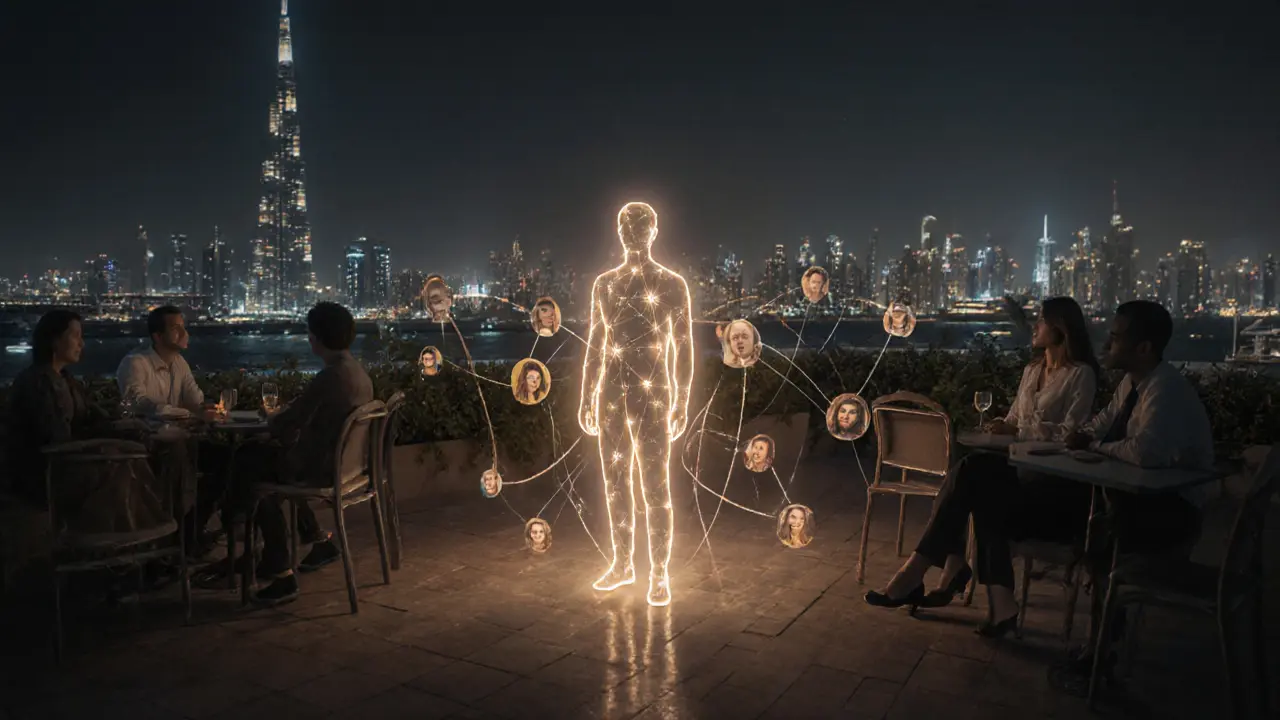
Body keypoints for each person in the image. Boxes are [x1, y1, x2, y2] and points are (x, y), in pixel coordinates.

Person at [864, 296, 1100, 638]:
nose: (1034, 326)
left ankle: (926, 572)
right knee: (976, 478)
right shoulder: (1032, 370)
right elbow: (1016, 418)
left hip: (1048, 481)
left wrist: (1017, 430)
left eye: (1041, 321)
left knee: (972, 473)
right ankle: (993, 601)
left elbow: (1069, 435)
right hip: (1015, 468)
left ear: (1060, 329)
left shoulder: (1081, 375)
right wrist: (1002, 424)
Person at [1053, 301, 1214, 687]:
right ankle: (1103, 635)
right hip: (1142, 500)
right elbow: (1105, 420)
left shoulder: (1165, 390)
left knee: (1101, 538)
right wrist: (1087, 434)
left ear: (1143, 348)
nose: (1107, 342)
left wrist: (1094, 448)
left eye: (1116, 336)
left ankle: (1101, 648)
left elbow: (1144, 452)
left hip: (1175, 513)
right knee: (1094, 527)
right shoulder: (1132, 384)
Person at [579, 202, 695, 607]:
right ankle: (624, 563)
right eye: (626, 224)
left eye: (639, 224)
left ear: (653, 230)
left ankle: (659, 572)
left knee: (654, 485)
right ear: (618, 230)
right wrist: (587, 394)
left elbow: (683, 347)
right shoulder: (604, 284)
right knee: (615, 482)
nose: (631, 231)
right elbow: (596, 341)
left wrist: (682, 398)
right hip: (614, 392)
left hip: (654, 393)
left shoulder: (671, 284)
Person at [220, 303, 373, 606]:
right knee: (263, 460)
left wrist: (272, 420)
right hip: (347, 468)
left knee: (250, 465)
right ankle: (310, 541)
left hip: (319, 470)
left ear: (315, 338)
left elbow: (289, 424)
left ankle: (276, 568)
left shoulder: (330, 377)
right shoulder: (358, 374)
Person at [4, 311, 112, 505]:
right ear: (54, 340)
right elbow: (55, 439)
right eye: (75, 336)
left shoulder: (65, 380)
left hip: (65, 465)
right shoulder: (39, 384)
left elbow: (91, 416)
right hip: (46, 476)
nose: (82, 344)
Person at [116, 306, 215, 419]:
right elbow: (139, 404)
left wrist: (206, 408)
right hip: (143, 433)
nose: (184, 334)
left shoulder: (179, 362)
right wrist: (189, 413)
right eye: (176, 329)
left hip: (177, 433)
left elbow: (194, 399)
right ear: (158, 336)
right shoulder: (134, 363)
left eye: (183, 328)